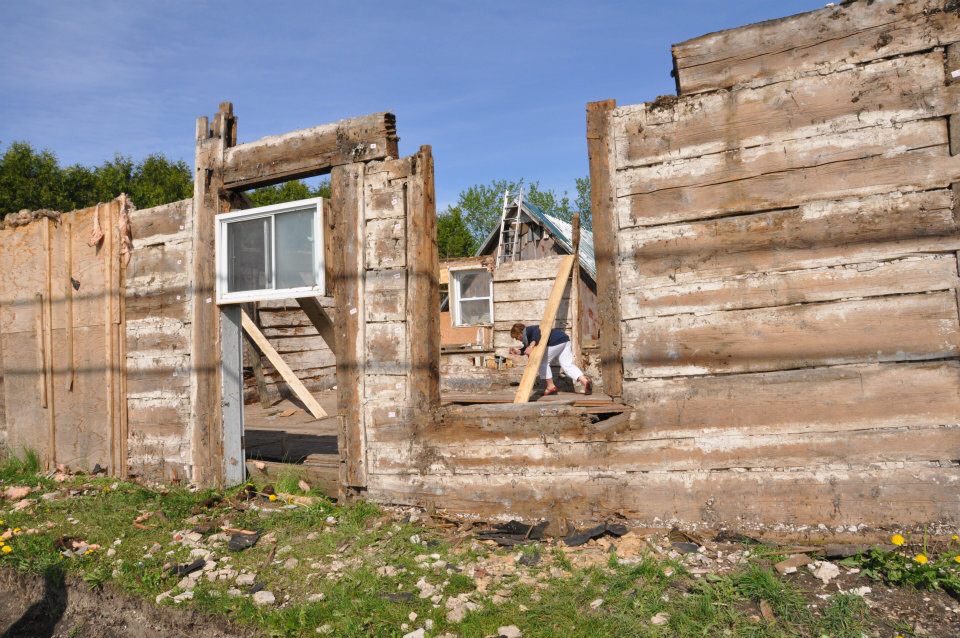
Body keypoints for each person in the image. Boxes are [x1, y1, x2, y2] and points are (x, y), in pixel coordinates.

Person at [508, 322, 592, 395]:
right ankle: (585, 381)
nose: (517, 340)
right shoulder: (528, 338)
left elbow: (537, 333)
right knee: (567, 365)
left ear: (519, 333)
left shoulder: (529, 330)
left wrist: (531, 346)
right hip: (564, 340)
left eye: (516, 337)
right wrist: (517, 352)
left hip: (555, 341)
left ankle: (550, 386)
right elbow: (527, 349)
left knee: (542, 362)